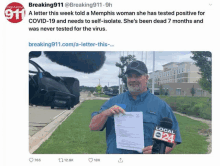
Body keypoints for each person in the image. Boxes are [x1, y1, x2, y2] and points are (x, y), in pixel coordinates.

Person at [89, 60, 181, 154]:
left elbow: (173, 139)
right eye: (130, 76)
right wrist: (106, 113)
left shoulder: (161, 106)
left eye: (137, 76)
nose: (133, 80)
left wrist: (160, 150)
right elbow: (93, 127)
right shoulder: (113, 102)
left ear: (146, 78)